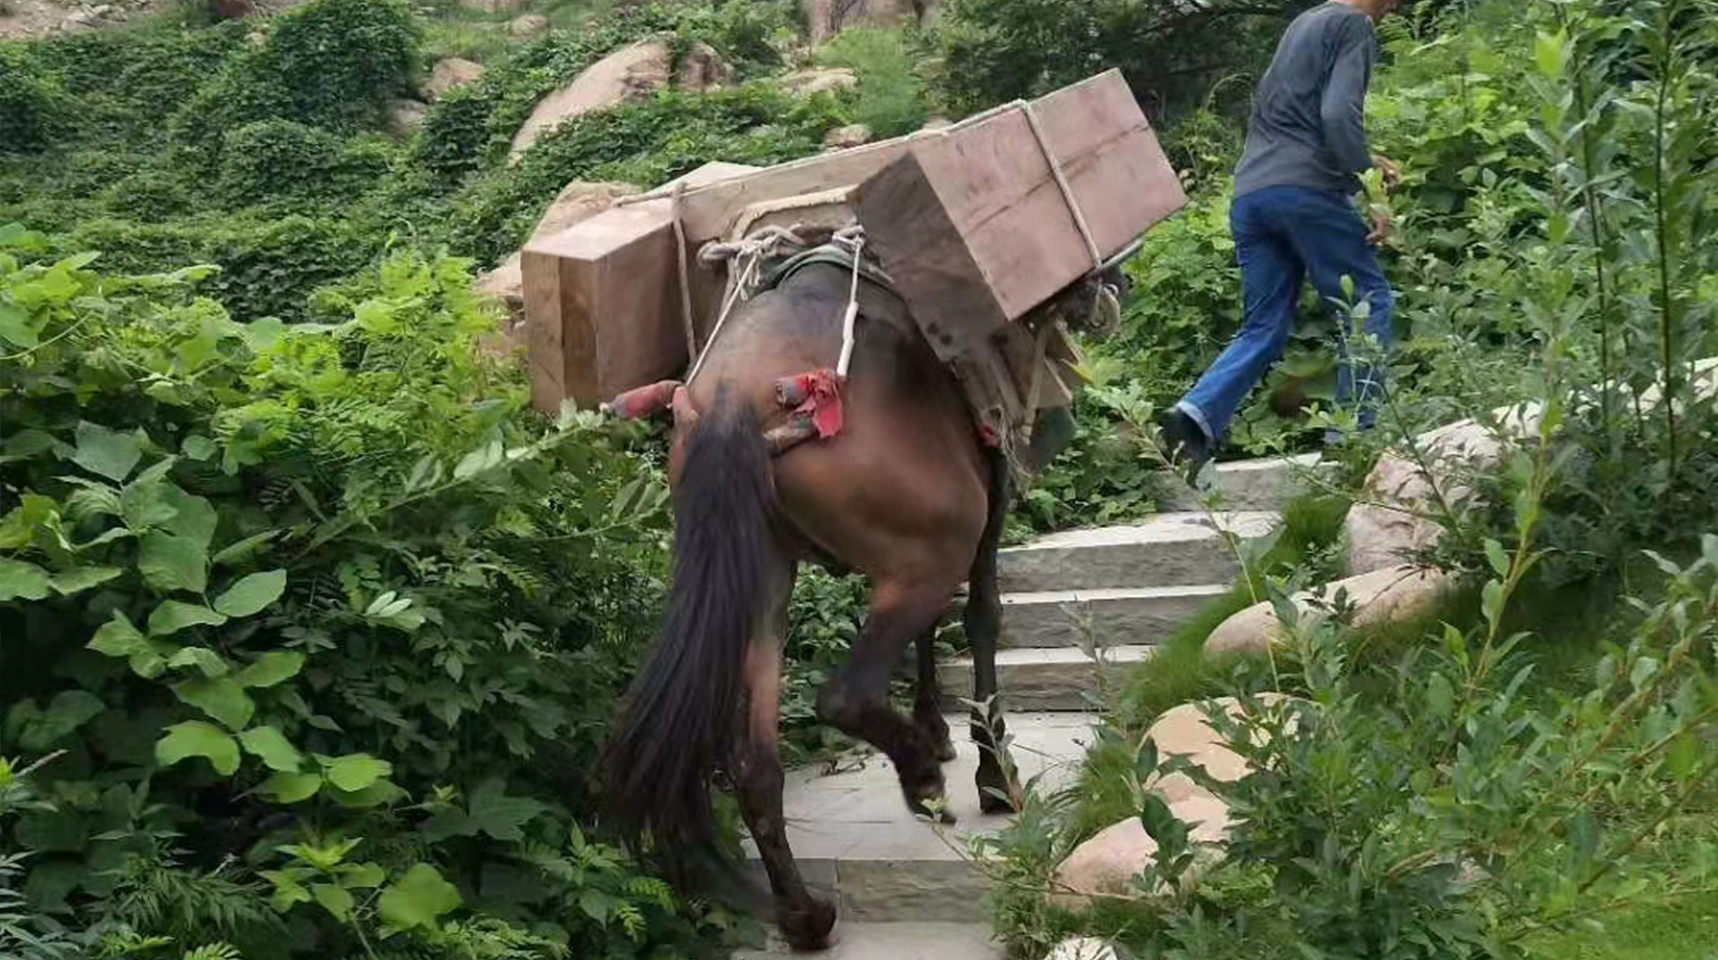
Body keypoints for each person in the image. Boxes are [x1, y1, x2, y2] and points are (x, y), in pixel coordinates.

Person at [1158, 0, 1405, 481]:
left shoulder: (1304, 24)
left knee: (1264, 325)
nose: (1395, 10)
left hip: (1252, 194)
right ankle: (1351, 435)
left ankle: (1194, 417)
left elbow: (1298, 118)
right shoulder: (1354, 26)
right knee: (1369, 302)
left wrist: (1369, 156)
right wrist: (1369, 188)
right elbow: (1337, 115)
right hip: (1306, 191)